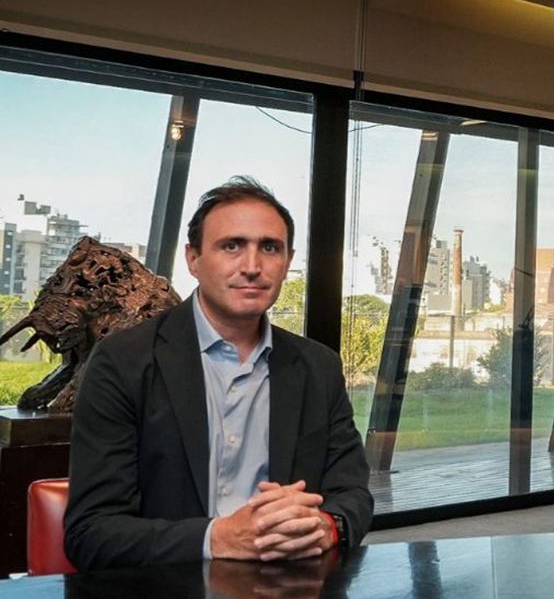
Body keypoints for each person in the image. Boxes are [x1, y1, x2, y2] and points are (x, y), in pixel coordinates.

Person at [65, 176, 373, 570]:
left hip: (289, 588)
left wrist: (327, 526)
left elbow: (353, 496)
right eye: (232, 246)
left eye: (270, 248)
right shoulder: (122, 362)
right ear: (193, 259)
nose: (252, 267)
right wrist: (219, 537)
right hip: (166, 594)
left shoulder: (318, 367)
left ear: (287, 262)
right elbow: (91, 532)